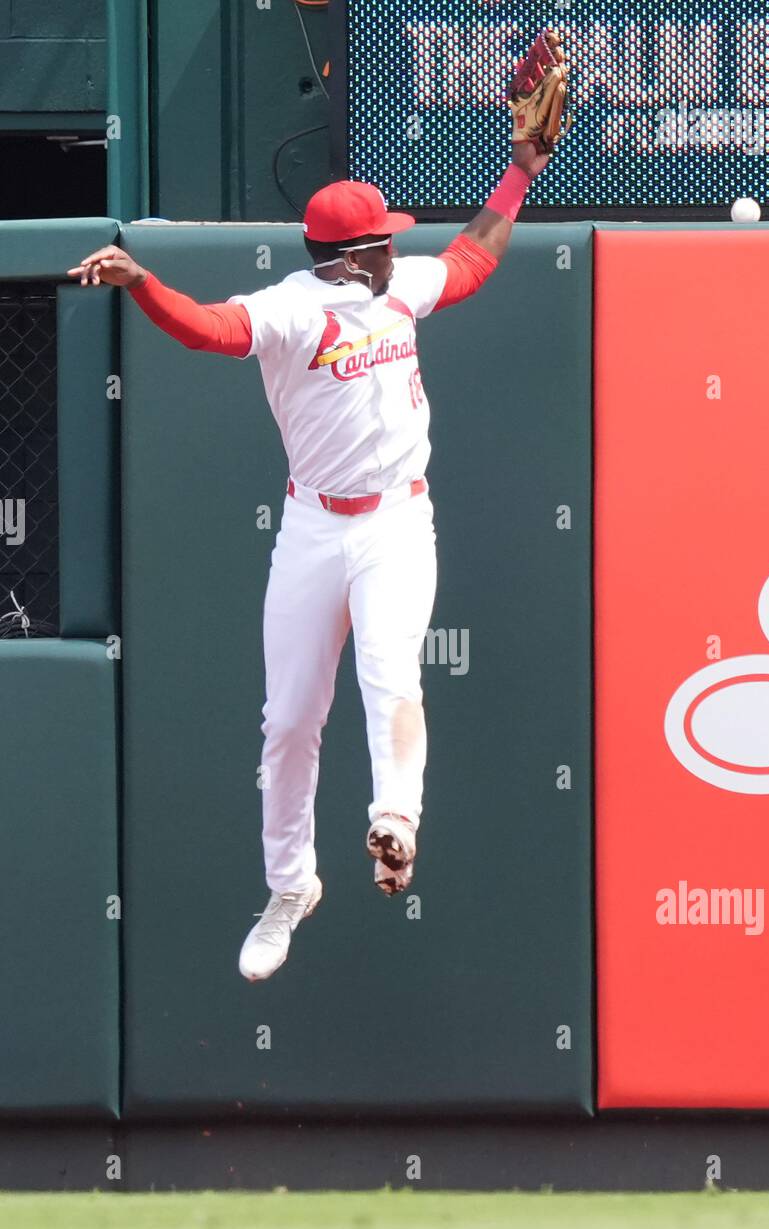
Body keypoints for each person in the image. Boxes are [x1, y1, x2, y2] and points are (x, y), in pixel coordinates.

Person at [68, 124, 558, 983]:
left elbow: (476, 256)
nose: (397, 248)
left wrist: (520, 168)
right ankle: (291, 887)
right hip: (312, 529)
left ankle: (394, 821)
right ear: (353, 253)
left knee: (388, 673)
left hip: (398, 523)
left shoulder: (397, 284)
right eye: (384, 239)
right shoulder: (291, 307)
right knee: (289, 720)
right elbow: (205, 330)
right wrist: (143, 281)